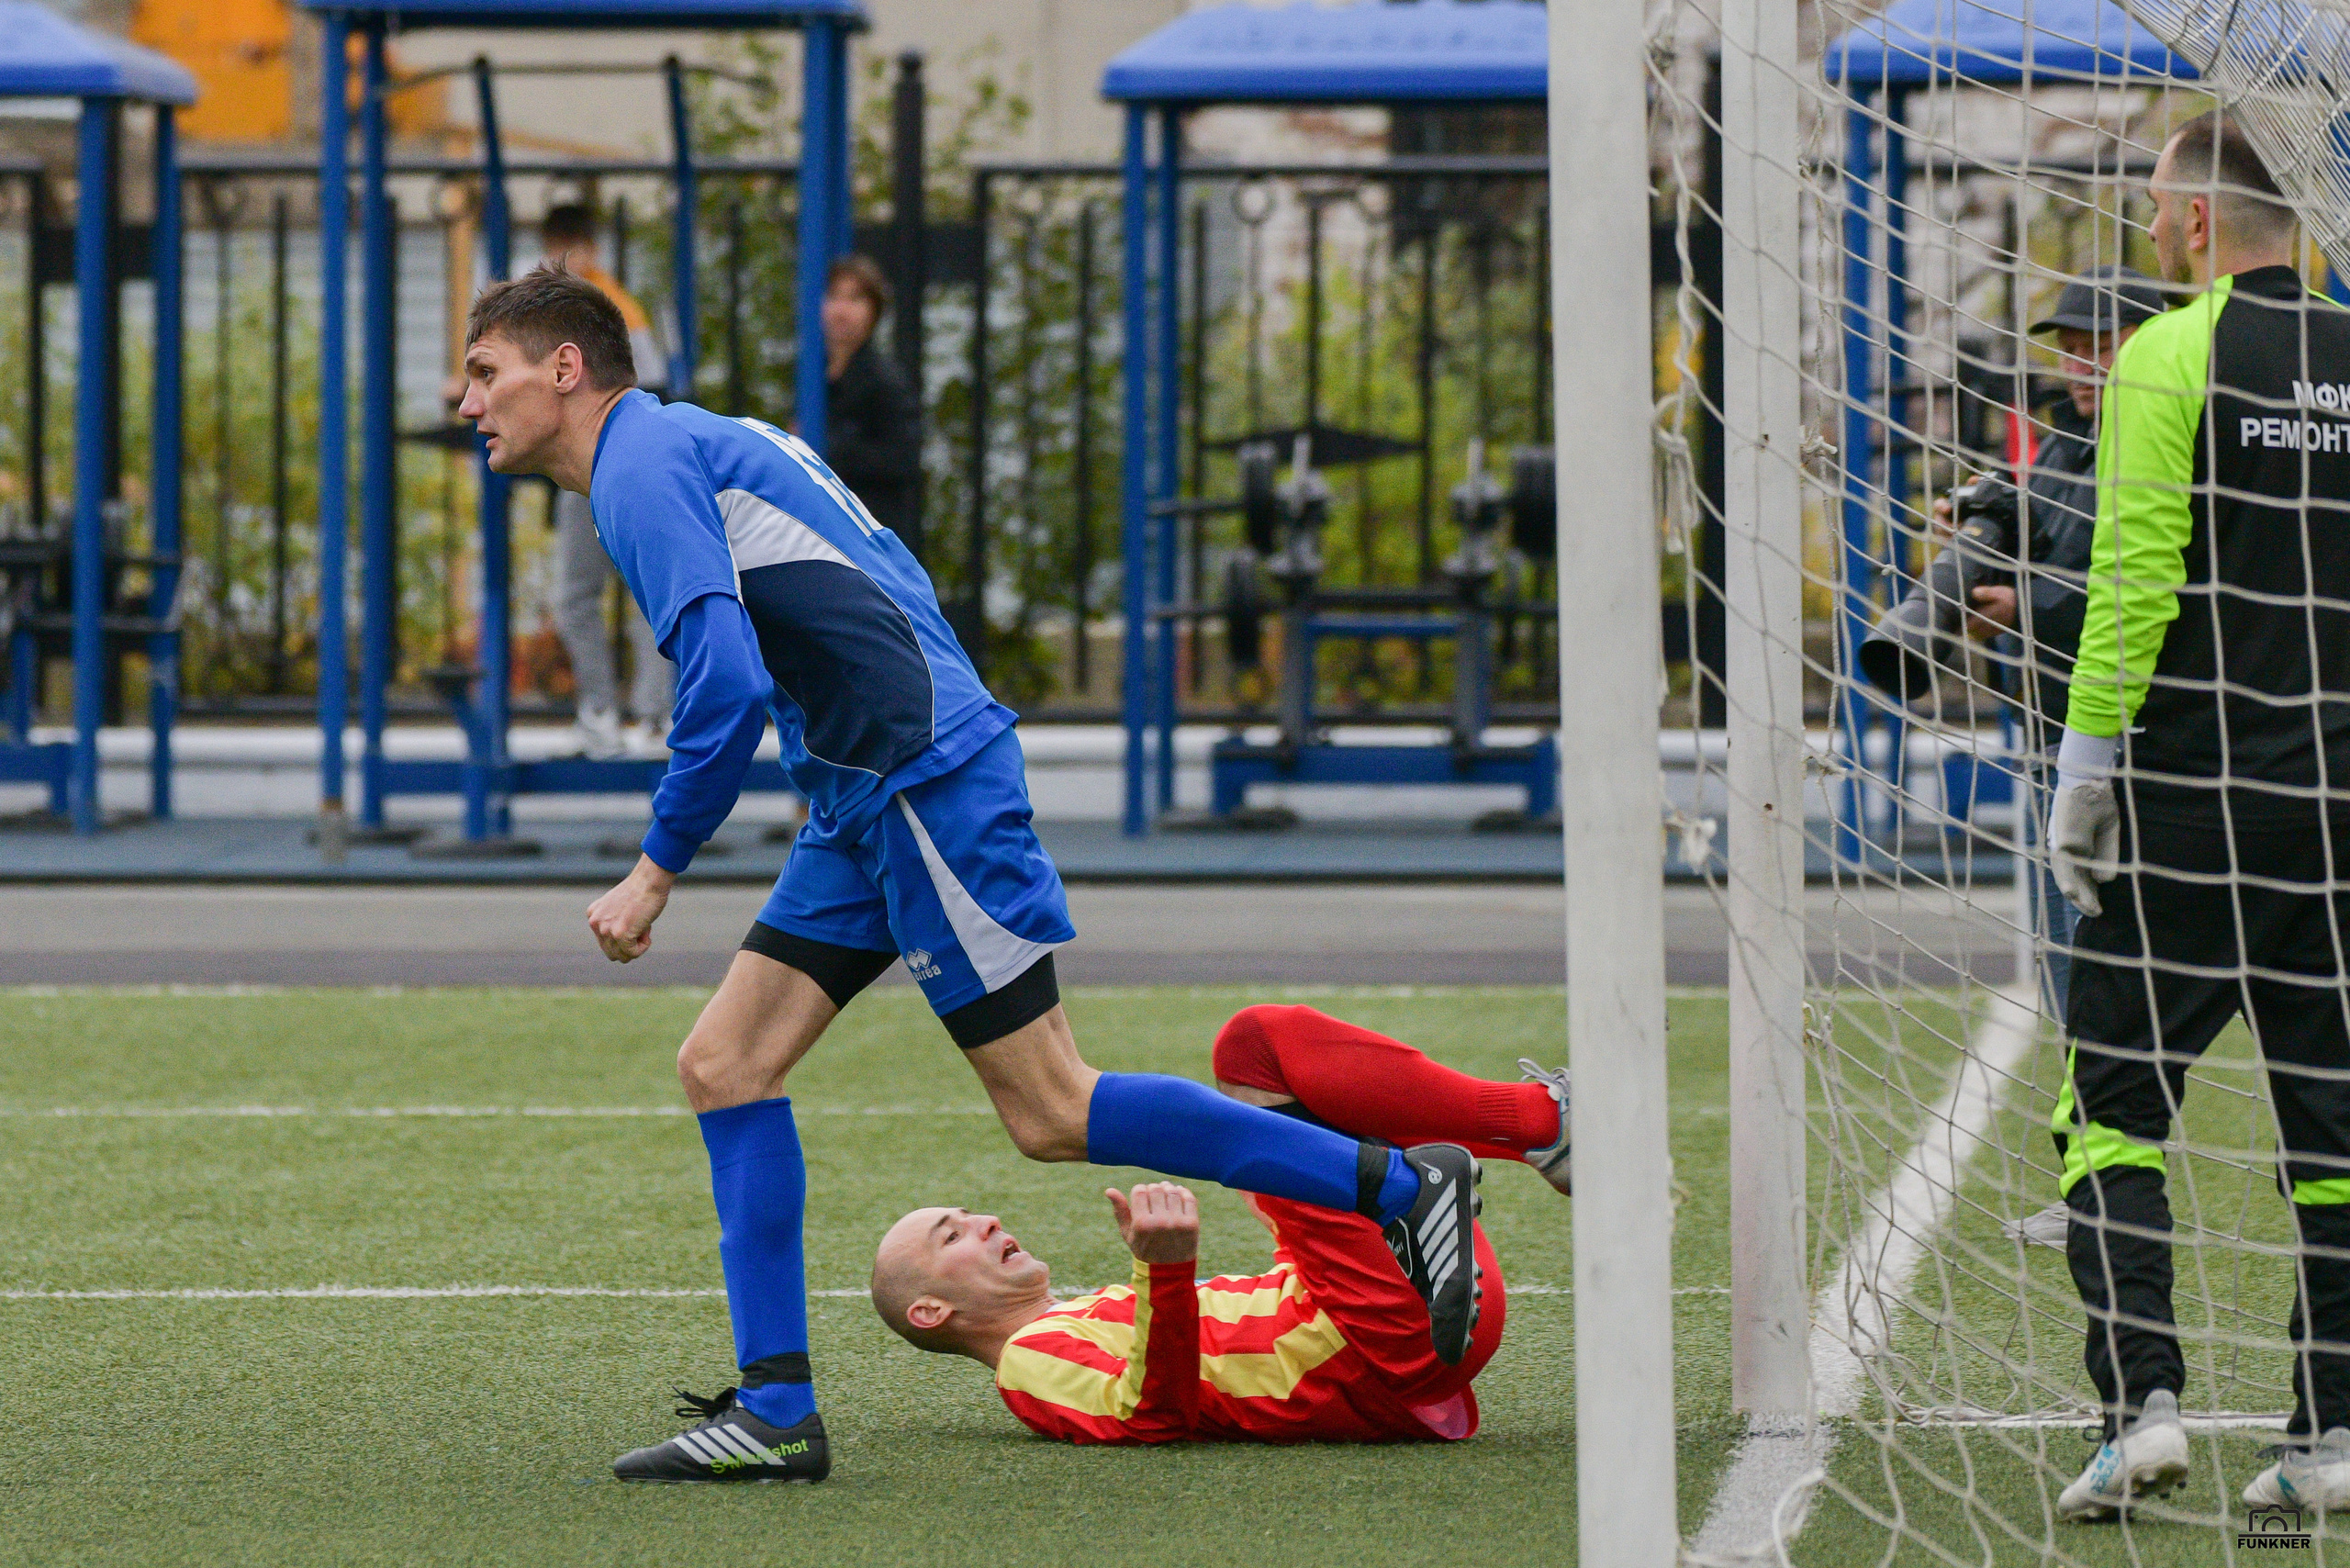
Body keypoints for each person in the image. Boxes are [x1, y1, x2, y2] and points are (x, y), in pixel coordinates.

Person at [453, 266, 1500, 1484]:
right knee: (723, 1064)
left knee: (1051, 1110)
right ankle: (777, 1411)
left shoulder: (636, 467)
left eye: (484, 371)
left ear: (565, 369)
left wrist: (655, 869)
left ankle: (1396, 1187)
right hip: (873, 786)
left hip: (917, 780)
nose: (466, 401)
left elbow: (724, 684)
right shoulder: (687, 440)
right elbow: (874, 588)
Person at [2048, 112, 2350, 1521]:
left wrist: (2084, 769)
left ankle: (2143, 1409)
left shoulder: (2169, 353)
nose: (2151, 228)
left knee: (2108, 1106)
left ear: (2193, 221)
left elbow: (2135, 581)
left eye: (2154, 207)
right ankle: (2330, 1437)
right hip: (2338, 809)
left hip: (2188, 803)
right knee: (2334, 1125)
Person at [786, 1007, 1555, 1456]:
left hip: (1395, 1324)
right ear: (931, 1311)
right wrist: (1165, 1268)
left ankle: (1534, 1134)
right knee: (1255, 1051)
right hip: (1378, 1336)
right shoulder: (1026, 1359)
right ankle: (1536, 1126)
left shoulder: (1076, 1320)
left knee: (1264, 1070)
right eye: (950, 1237)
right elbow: (1150, 1417)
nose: (983, 1221)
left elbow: (1254, 1340)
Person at [1943, 269, 2170, 1024]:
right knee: (2065, 957)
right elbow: (2046, 542)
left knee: (2112, 959)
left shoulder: (2159, 438)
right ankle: (2091, 1079)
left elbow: (2138, 585)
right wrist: (1982, 530)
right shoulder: (2063, 441)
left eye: (2098, 346)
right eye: (2071, 348)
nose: (2080, 365)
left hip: (2126, 746)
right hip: (2050, 727)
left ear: (2146, 343)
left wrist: (2023, 607)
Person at [541, 204, 672, 759]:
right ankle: (609, 712)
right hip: (583, 472)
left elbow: (652, 389)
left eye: (572, 246)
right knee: (580, 596)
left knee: (642, 594)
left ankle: (650, 714)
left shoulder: (615, 309)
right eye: (556, 246)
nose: (563, 258)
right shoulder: (549, 314)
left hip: (616, 468)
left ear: (592, 250)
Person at [812, 255, 923, 562]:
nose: (841, 310)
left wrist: (829, 446)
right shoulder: (811, 376)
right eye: (834, 296)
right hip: (823, 534)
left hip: (870, 540)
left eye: (854, 299)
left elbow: (902, 460)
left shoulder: (886, 381)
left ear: (874, 311)